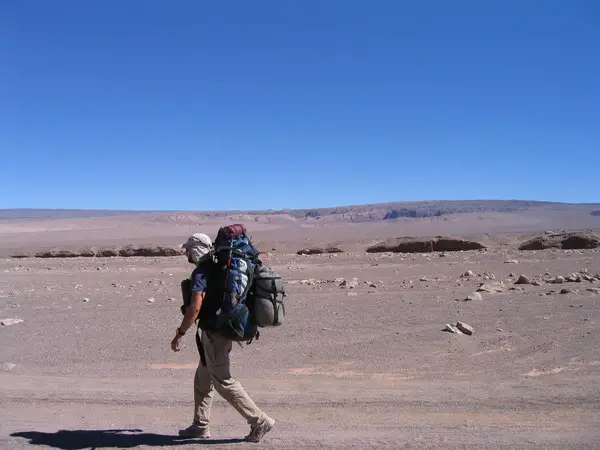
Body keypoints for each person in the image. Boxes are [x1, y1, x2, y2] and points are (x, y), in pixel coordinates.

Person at [170, 232, 275, 443]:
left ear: (197, 249)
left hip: (216, 334)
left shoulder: (202, 272)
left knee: (223, 381)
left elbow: (195, 307)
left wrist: (180, 333)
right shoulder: (218, 267)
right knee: (203, 378)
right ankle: (200, 425)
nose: (187, 254)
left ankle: (259, 420)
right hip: (220, 328)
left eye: (189, 249)